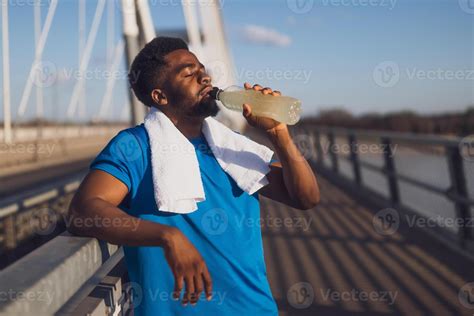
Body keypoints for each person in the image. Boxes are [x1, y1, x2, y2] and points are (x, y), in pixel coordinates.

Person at [67, 36, 320, 315]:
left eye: (202, 70)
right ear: (159, 96)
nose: (204, 78)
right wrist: (166, 235)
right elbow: (83, 210)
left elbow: (306, 197)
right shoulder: (134, 146)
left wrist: (279, 134)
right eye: (189, 74)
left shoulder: (231, 146)